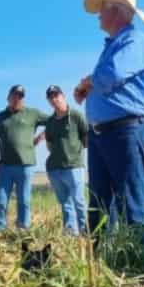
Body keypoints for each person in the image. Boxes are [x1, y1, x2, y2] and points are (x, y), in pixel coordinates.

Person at [73, 0, 144, 238]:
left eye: (102, 9)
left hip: (124, 131)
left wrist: (88, 82)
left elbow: (113, 75)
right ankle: (99, 261)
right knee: (99, 202)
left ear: (117, 11)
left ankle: (141, 265)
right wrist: (91, 84)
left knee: (130, 202)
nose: (98, 15)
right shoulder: (115, 45)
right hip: (104, 133)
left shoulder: (134, 40)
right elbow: (108, 79)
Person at [0, 85, 47, 231]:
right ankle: (0, 230)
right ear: (8, 97)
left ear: (23, 99)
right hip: (5, 166)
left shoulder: (33, 113)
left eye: (20, 96)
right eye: (14, 95)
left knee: (24, 201)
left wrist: (41, 136)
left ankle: (23, 229)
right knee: (1, 201)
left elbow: (53, 121)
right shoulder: (0, 117)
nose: (17, 99)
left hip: (26, 165)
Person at [38, 85, 90, 235]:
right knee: (65, 204)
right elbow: (49, 144)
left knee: (79, 202)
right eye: (51, 97)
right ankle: (70, 234)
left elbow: (86, 139)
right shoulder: (50, 121)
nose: (54, 99)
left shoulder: (76, 115)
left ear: (63, 96)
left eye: (56, 95)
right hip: (55, 169)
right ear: (49, 101)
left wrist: (74, 152)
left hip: (74, 167)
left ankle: (85, 232)